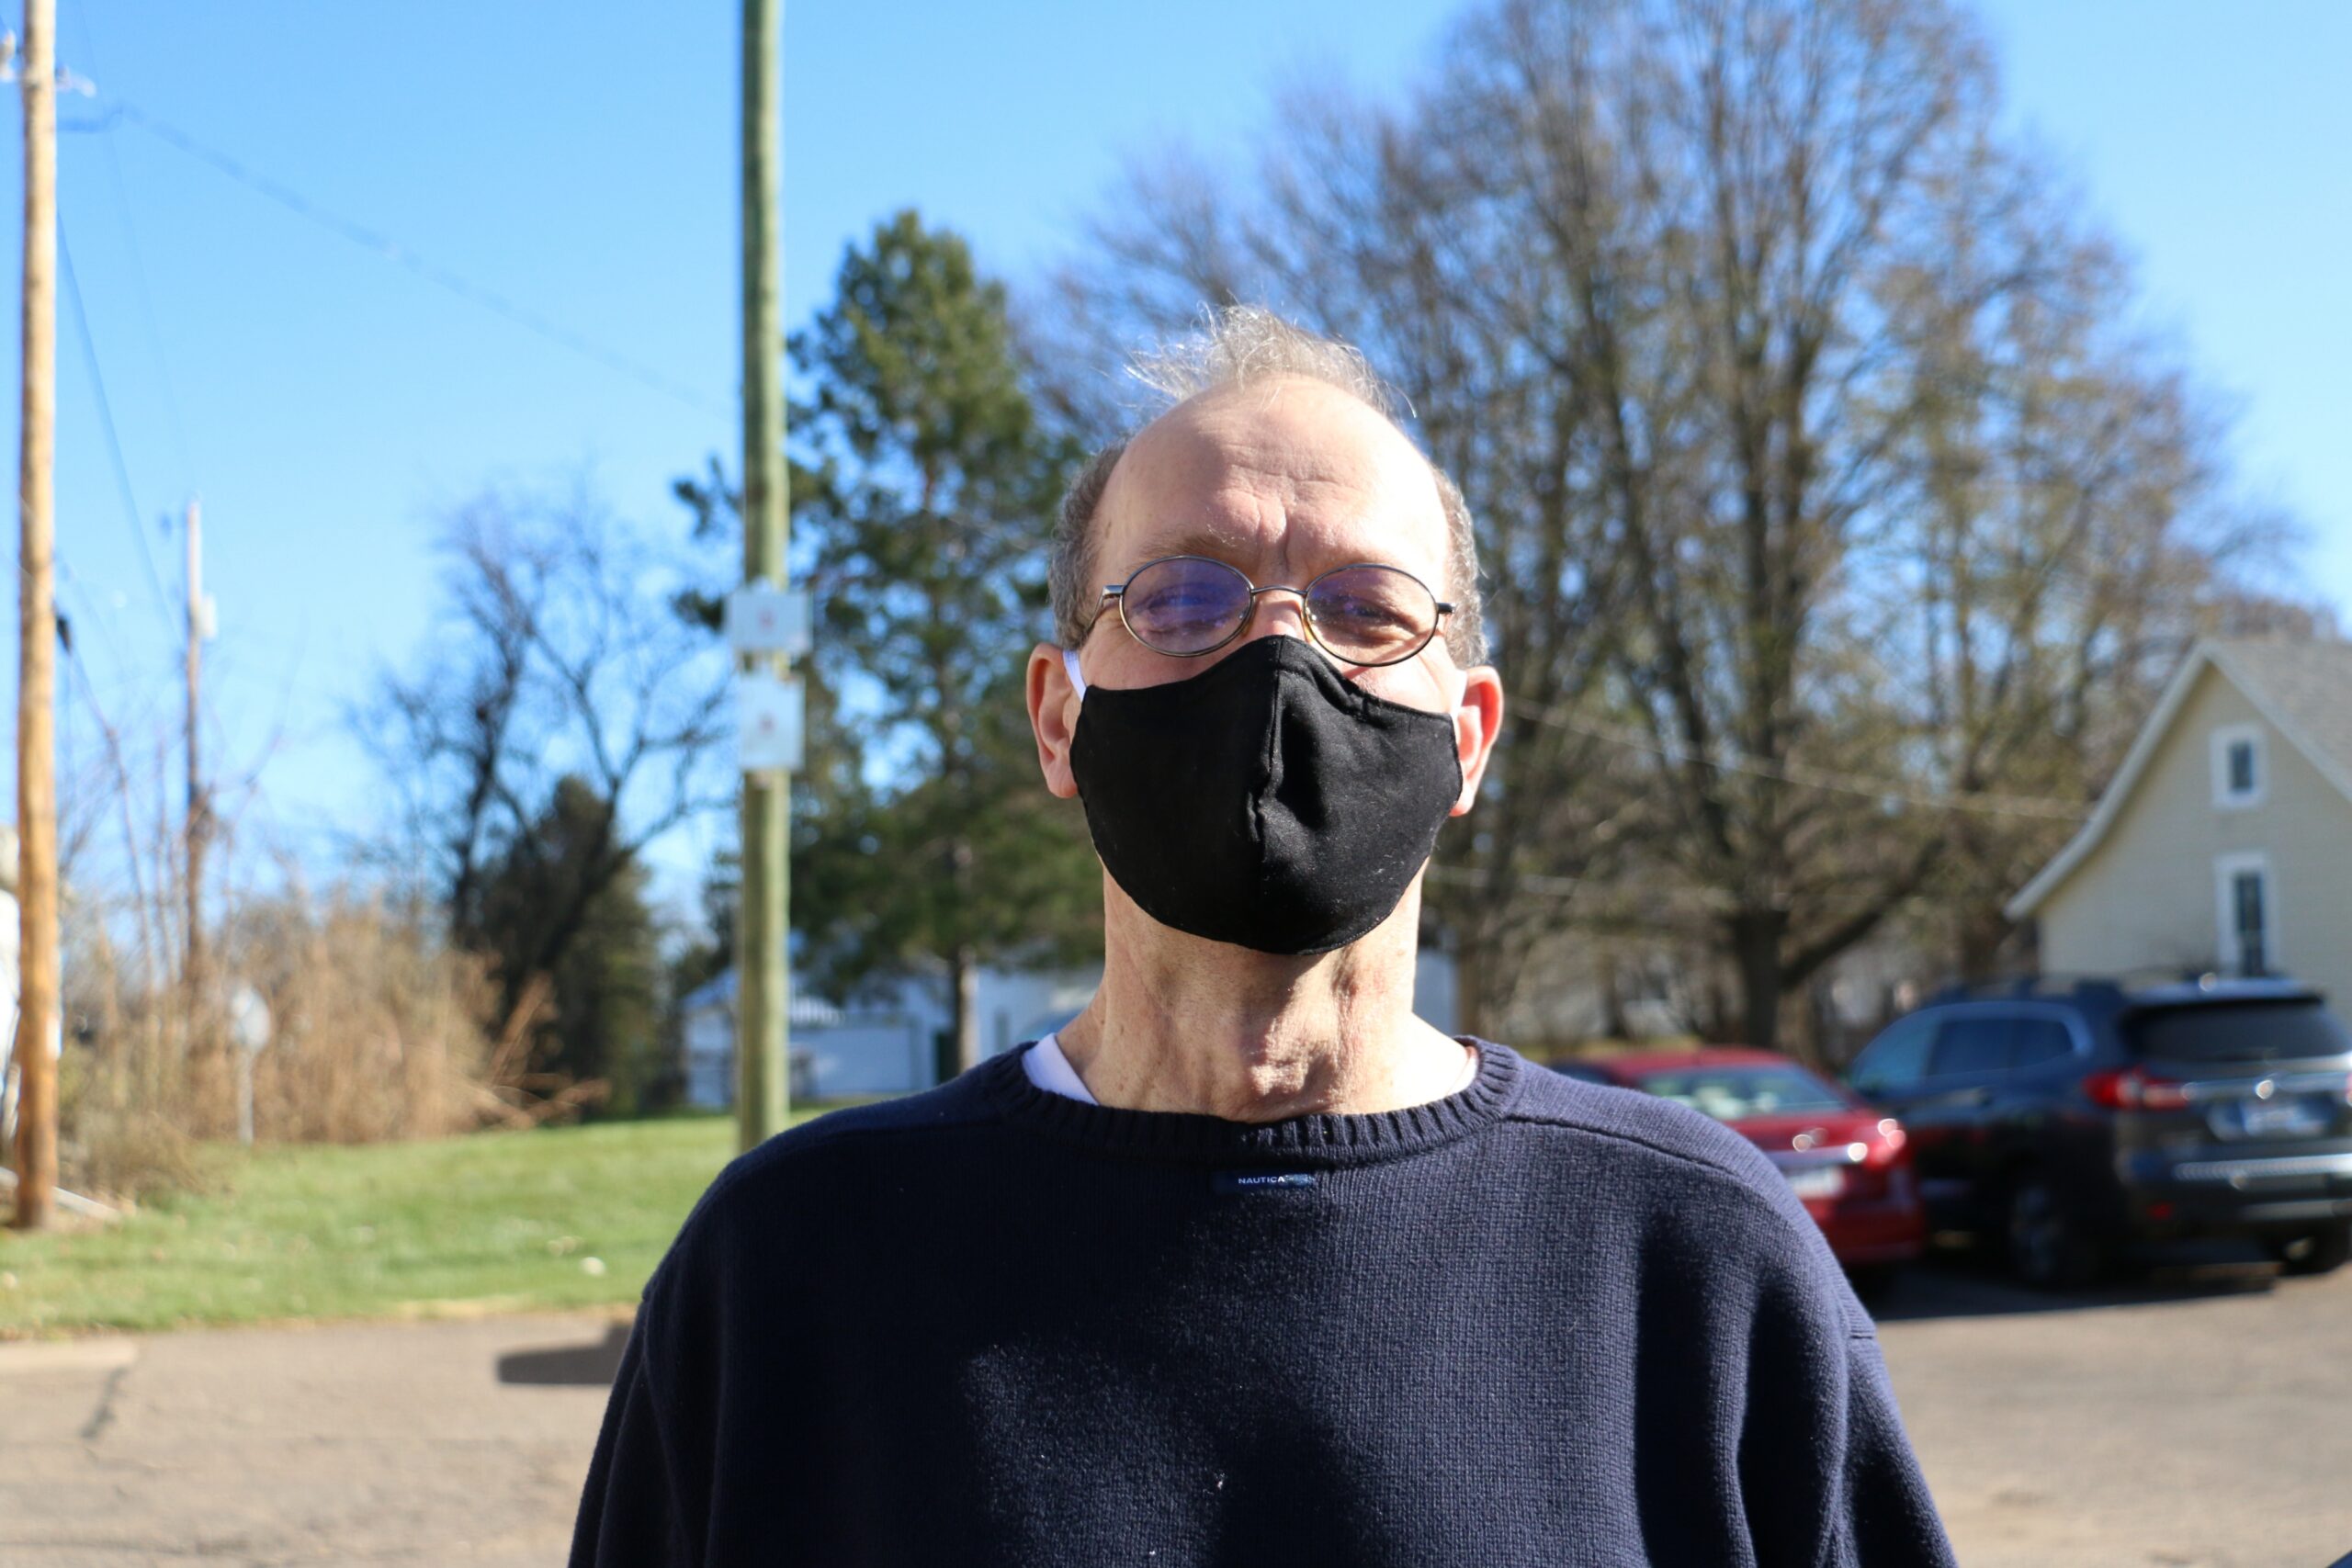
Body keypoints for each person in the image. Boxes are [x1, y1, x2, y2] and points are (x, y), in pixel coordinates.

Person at [568, 307, 1958, 1566]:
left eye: (1365, 610)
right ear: (1060, 718)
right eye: (1184, 598)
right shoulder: (791, 1270)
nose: (1280, 662)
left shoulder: (1694, 1264)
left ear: (1469, 740)